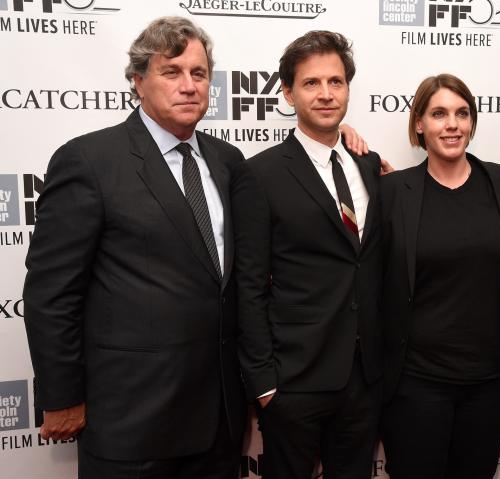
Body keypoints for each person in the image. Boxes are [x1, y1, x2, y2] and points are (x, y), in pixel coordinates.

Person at [23, 17, 247, 478]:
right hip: (131, 424)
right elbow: (52, 294)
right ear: (138, 81)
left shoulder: (228, 161)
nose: (189, 86)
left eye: (199, 74)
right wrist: (62, 397)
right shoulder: (89, 161)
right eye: (172, 72)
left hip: (220, 422)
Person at [233, 31, 384, 479]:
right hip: (294, 379)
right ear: (288, 92)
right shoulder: (259, 174)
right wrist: (264, 382)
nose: (325, 94)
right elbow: (248, 282)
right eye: (311, 83)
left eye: (335, 82)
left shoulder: (369, 165)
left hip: (365, 378)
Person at [380, 74, 500, 478]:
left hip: (490, 385)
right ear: (419, 124)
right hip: (415, 385)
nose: (453, 124)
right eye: (439, 113)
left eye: (462, 113)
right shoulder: (393, 193)